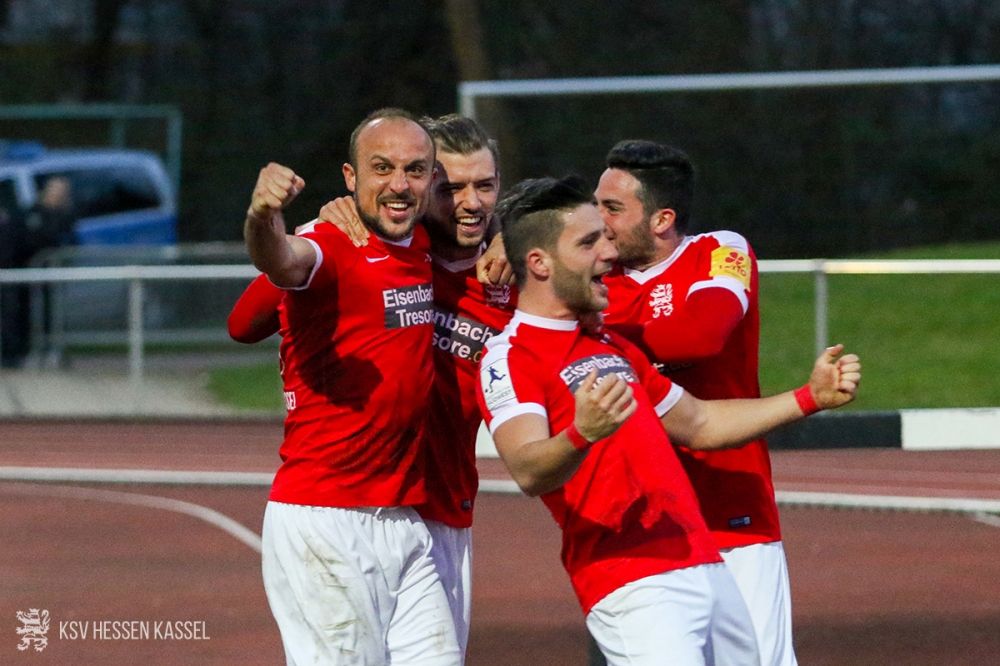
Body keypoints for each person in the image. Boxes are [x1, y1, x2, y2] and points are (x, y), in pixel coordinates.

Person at [476, 175, 861, 666]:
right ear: (539, 263)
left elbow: (699, 423)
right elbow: (528, 469)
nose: (608, 253)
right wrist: (580, 434)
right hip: (631, 580)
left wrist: (809, 398)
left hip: (702, 560)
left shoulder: (612, 344)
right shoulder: (509, 356)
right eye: (588, 241)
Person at [230, 114, 515, 663]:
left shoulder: (502, 270)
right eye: (452, 187)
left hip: (425, 512)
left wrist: (518, 231)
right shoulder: (346, 239)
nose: (470, 202)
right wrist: (270, 217)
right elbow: (258, 300)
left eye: (485, 185)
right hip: (336, 506)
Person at [595, 140, 794, 666]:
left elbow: (703, 335)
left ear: (662, 219)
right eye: (595, 205)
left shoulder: (720, 249)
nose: (598, 220)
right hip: (641, 527)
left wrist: (602, 336)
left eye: (612, 208)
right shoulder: (592, 278)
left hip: (733, 515)